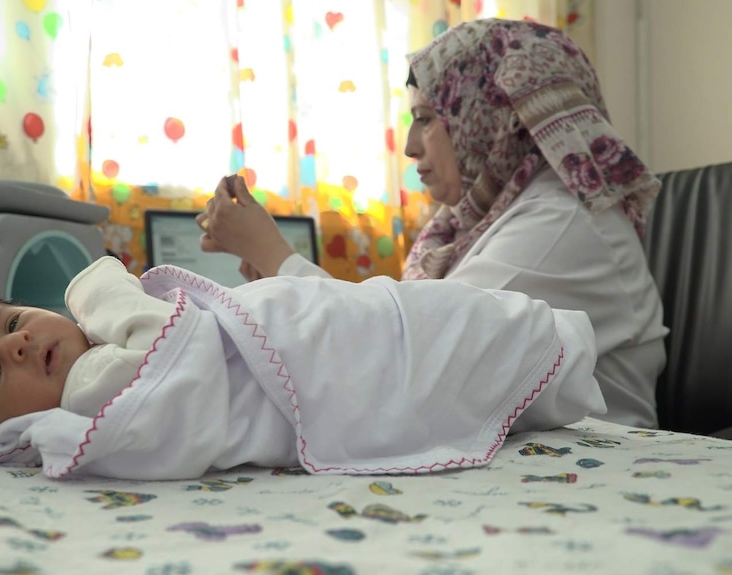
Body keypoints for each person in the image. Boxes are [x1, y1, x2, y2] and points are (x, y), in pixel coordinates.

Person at [197, 18, 667, 429]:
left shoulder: (562, 222)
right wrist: (281, 280)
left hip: (598, 459)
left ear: (494, 117)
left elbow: (408, 354)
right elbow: (401, 336)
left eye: (425, 118)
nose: (409, 147)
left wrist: (275, 258)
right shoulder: (479, 222)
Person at [0, 255, 604, 480]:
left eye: (11, 323)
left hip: (317, 335)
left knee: (395, 314)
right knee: (438, 339)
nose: (14, 346)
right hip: (322, 371)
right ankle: (551, 355)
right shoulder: (95, 395)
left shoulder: (95, 359)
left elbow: (291, 315)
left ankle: (548, 355)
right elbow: (173, 351)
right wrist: (94, 284)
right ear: (10, 430)